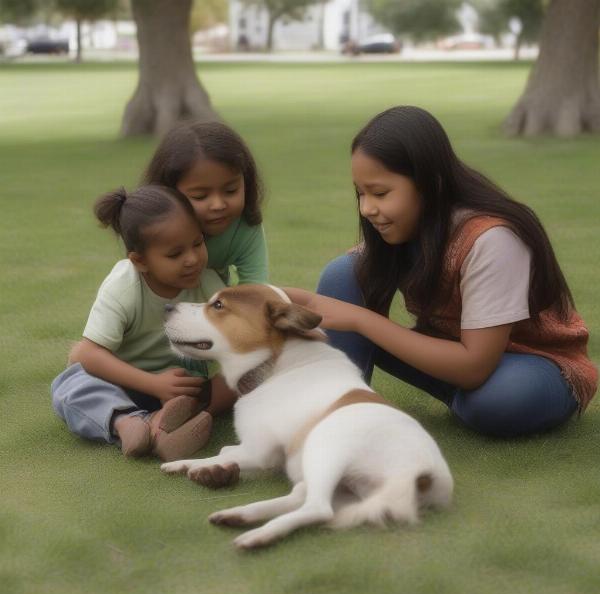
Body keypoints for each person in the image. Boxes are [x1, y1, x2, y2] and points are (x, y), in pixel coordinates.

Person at [286, 106, 597, 437]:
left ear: (429, 184)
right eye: (361, 193)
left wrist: (360, 320)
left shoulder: (492, 238)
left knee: (501, 399)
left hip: (534, 362)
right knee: (342, 274)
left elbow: (475, 367)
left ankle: (465, 398)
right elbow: (334, 299)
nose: (367, 208)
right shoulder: (407, 229)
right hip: (455, 352)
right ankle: (336, 411)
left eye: (380, 193)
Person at [51, 185, 237, 459]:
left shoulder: (208, 284)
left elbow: (236, 340)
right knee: (69, 384)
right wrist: (153, 384)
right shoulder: (124, 287)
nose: (192, 259)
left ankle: (179, 419)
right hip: (126, 385)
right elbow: (85, 353)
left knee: (246, 373)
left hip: (187, 390)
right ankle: (128, 423)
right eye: (175, 254)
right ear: (140, 261)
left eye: (198, 243)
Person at [143, 120, 268, 286]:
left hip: (210, 306)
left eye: (230, 191)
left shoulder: (244, 227)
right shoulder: (152, 230)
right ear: (168, 192)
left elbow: (256, 289)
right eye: (200, 196)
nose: (218, 205)